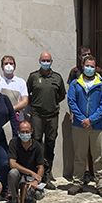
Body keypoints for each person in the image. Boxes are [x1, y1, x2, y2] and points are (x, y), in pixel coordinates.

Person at [66, 55, 102, 198]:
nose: (90, 68)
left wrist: (91, 120)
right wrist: (82, 119)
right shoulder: (75, 83)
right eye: (87, 66)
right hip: (79, 126)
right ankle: (77, 182)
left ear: (96, 67)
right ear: (83, 66)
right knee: (79, 155)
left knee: (99, 156)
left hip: (98, 126)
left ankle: (100, 184)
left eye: (92, 66)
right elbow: (71, 102)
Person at [26, 51, 65, 189]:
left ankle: (47, 176)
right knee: (36, 143)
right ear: (39, 61)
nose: (46, 62)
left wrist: (50, 104)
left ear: (51, 62)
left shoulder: (57, 77)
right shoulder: (33, 77)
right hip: (37, 115)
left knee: (50, 144)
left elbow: (61, 95)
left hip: (52, 116)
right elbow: (27, 93)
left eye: (48, 60)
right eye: (43, 60)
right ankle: (36, 174)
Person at [5, 121, 46, 203]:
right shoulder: (14, 143)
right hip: (19, 176)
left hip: (31, 179)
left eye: (27, 132)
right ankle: (15, 200)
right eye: (22, 132)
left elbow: (41, 166)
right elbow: (12, 163)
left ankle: (30, 200)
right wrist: (31, 172)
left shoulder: (37, 146)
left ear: (32, 131)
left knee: (39, 194)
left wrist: (36, 180)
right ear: (18, 132)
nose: (25, 134)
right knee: (13, 173)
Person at [0, 55, 29, 123]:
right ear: (2, 67)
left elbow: (25, 101)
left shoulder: (21, 82)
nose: (8, 65)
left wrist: (11, 109)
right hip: (0, 117)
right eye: (6, 63)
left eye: (11, 63)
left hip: (16, 117)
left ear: (14, 66)